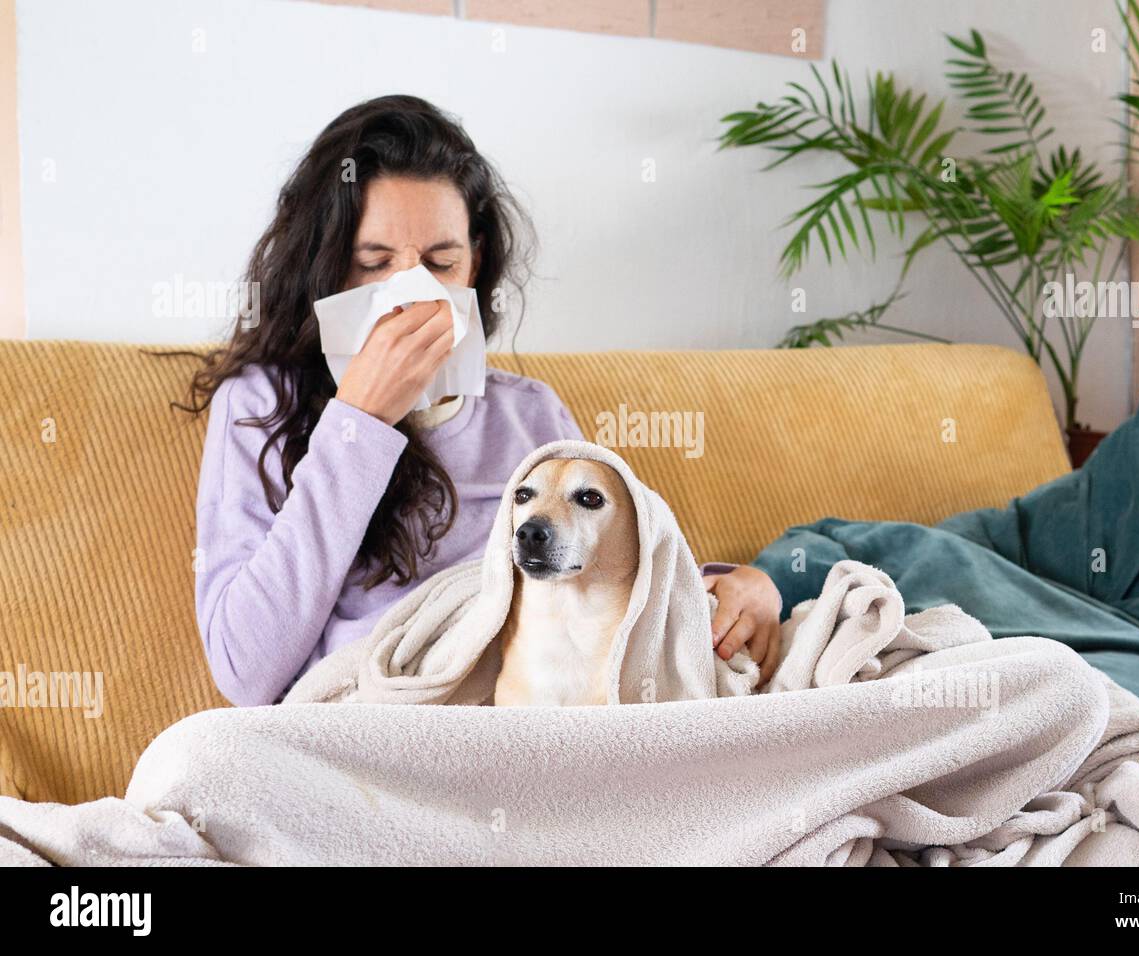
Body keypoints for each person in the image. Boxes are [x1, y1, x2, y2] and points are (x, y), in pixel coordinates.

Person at [179, 95, 782, 706]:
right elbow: (246, 672)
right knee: (201, 757)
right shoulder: (259, 405)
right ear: (326, 268)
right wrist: (359, 422)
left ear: (475, 265)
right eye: (374, 263)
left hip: (524, 719)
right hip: (378, 725)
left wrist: (744, 587)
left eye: (441, 262)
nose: (410, 292)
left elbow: (619, 579)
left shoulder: (530, 414)